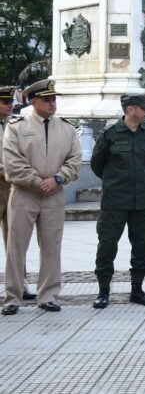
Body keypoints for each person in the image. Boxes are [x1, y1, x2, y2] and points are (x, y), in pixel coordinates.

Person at [2, 80, 82, 315]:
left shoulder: (67, 129)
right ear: (33, 101)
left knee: (51, 247)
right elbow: (12, 164)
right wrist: (38, 181)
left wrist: (57, 179)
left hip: (54, 195)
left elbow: (74, 161)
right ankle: (13, 297)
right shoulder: (16, 127)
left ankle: (47, 295)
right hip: (25, 194)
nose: (52, 103)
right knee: (15, 248)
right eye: (46, 99)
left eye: (54, 99)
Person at [90, 94, 145, 308]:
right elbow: (97, 165)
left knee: (142, 246)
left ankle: (137, 290)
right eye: (143, 108)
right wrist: (116, 183)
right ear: (130, 109)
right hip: (115, 201)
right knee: (107, 245)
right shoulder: (110, 135)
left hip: (141, 201)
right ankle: (103, 290)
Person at [0, 86, 34, 302]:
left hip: (13, 187)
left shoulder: (15, 125)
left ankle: (19, 284)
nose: (11, 106)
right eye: (6, 103)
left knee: (15, 238)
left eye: (11, 102)